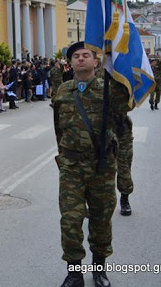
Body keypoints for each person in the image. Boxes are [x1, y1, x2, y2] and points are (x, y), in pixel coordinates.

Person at [54, 42, 116, 287]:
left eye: (85, 55)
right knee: (70, 220)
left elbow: (125, 111)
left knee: (101, 219)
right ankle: (74, 272)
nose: (80, 59)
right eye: (76, 56)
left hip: (101, 167)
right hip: (71, 167)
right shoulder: (62, 91)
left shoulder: (108, 89)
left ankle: (99, 269)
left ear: (95, 61)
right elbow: (58, 127)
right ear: (70, 63)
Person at [108, 79, 135, 217]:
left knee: (124, 166)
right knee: (101, 169)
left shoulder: (124, 77)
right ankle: (99, 203)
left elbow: (132, 104)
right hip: (103, 129)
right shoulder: (98, 77)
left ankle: (125, 199)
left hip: (121, 130)